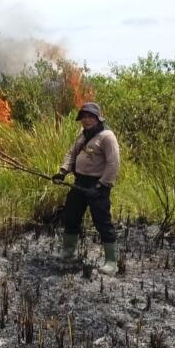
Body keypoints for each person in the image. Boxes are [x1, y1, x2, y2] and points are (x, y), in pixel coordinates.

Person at [52, 102, 121, 275]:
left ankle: (111, 262)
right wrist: (62, 172)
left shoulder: (107, 137)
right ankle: (68, 252)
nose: (87, 120)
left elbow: (113, 164)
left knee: (102, 222)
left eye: (91, 116)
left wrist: (100, 185)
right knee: (71, 215)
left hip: (98, 185)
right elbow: (71, 154)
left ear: (98, 118)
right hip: (79, 183)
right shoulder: (82, 135)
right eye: (84, 116)